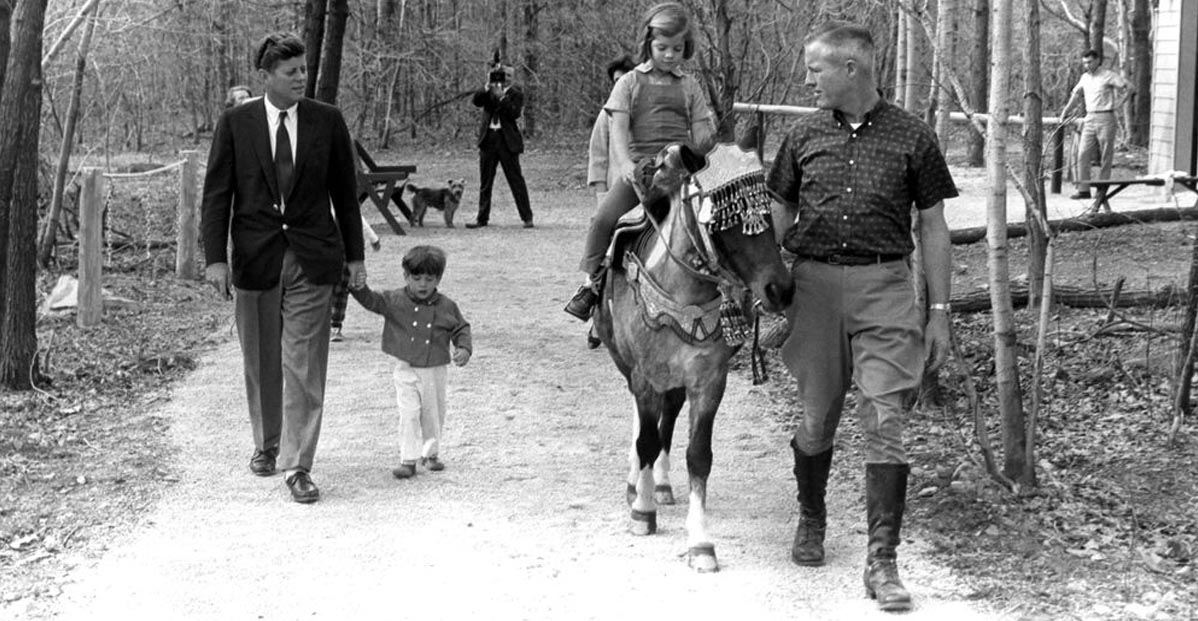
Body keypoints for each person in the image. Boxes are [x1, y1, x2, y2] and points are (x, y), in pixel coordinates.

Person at [765, 22, 956, 612]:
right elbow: (780, 205)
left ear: (852, 68)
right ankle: (812, 516)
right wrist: (769, 280)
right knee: (817, 419)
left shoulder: (912, 137)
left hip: (887, 288)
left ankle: (883, 561)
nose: (807, 78)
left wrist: (941, 311)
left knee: (886, 419)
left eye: (815, 68)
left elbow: (932, 225)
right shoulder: (801, 135)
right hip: (815, 288)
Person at [201, 32, 365, 504]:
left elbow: (345, 197)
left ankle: (299, 465)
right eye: (291, 71)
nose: (301, 77)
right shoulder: (236, 123)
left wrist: (355, 258)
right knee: (261, 360)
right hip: (255, 259)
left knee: (304, 365)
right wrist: (215, 259)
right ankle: (267, 443)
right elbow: (217, 195)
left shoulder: (327, 121)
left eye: (303, 69)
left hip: (313, 259)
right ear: (265, 76)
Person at [563, 2, 715, 323]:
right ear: (648, 44)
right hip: (642, 170)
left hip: (680, 169)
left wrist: (705, 138)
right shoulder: (628, 83)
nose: (670, 55)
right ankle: (590, 282)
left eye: (677, 48)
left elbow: (701, 131)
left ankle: (726, 289)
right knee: (603, 219)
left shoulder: (689, 86)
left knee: (715, 223)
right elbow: (617, 132)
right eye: (662, 48)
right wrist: (625, 166)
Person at [350, 245, 472, 479]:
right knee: (409, 413)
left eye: (430, 279)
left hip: (435, 370)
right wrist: (357, 287)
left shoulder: (447, 306)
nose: (423, 284)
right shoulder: (394, 300)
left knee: (433, 413)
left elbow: (461, 327)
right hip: (405, 368)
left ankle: (430, 453)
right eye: (416, 278)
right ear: (406, 276)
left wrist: (464, 348)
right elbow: (372, 301)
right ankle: (408, 459)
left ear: (439, 279)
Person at [464, 62, 534, 229]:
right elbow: (477, 101)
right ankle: (482, 218)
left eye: (509, 75)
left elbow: (514, 113)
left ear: (513, 77)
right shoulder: (489, 90)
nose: (506, 78)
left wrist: (502, 97)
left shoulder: (516, 93)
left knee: (516, 180)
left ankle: (527, 218)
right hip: (488, 140)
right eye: (504, 75)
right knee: (485, 182)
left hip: (507, 142)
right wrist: (487, 86)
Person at [1060, 49, 1131, 201]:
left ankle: (1102, 187)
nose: (1087, 65)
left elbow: (1129, 88)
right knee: (1082, 153)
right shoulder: (1085, 77)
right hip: (1089, 117)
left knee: (1106, 154)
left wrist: (1118, 104)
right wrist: (1065, 112)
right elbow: (1076, 95)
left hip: (1106, 117)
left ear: (1098, 60)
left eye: (1090, 61)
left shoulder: (1108, 75)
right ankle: (1084, 189)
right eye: (1085, 62)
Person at [586, 55, 638, 206]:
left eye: (625, 79)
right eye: (616, 81)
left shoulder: (648, 112)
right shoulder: (607, 114)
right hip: (615, 190)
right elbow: (598, 155)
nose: (621, 84)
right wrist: (602, 196)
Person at [330, 214, 382, 343]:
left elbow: (358, 219)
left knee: (338, 293)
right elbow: (358, 219)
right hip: (338, 255)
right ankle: (334, 327)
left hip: (341, 255)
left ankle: (333, 326)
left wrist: (373, 238)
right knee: (339, 294)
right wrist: (374, 239)